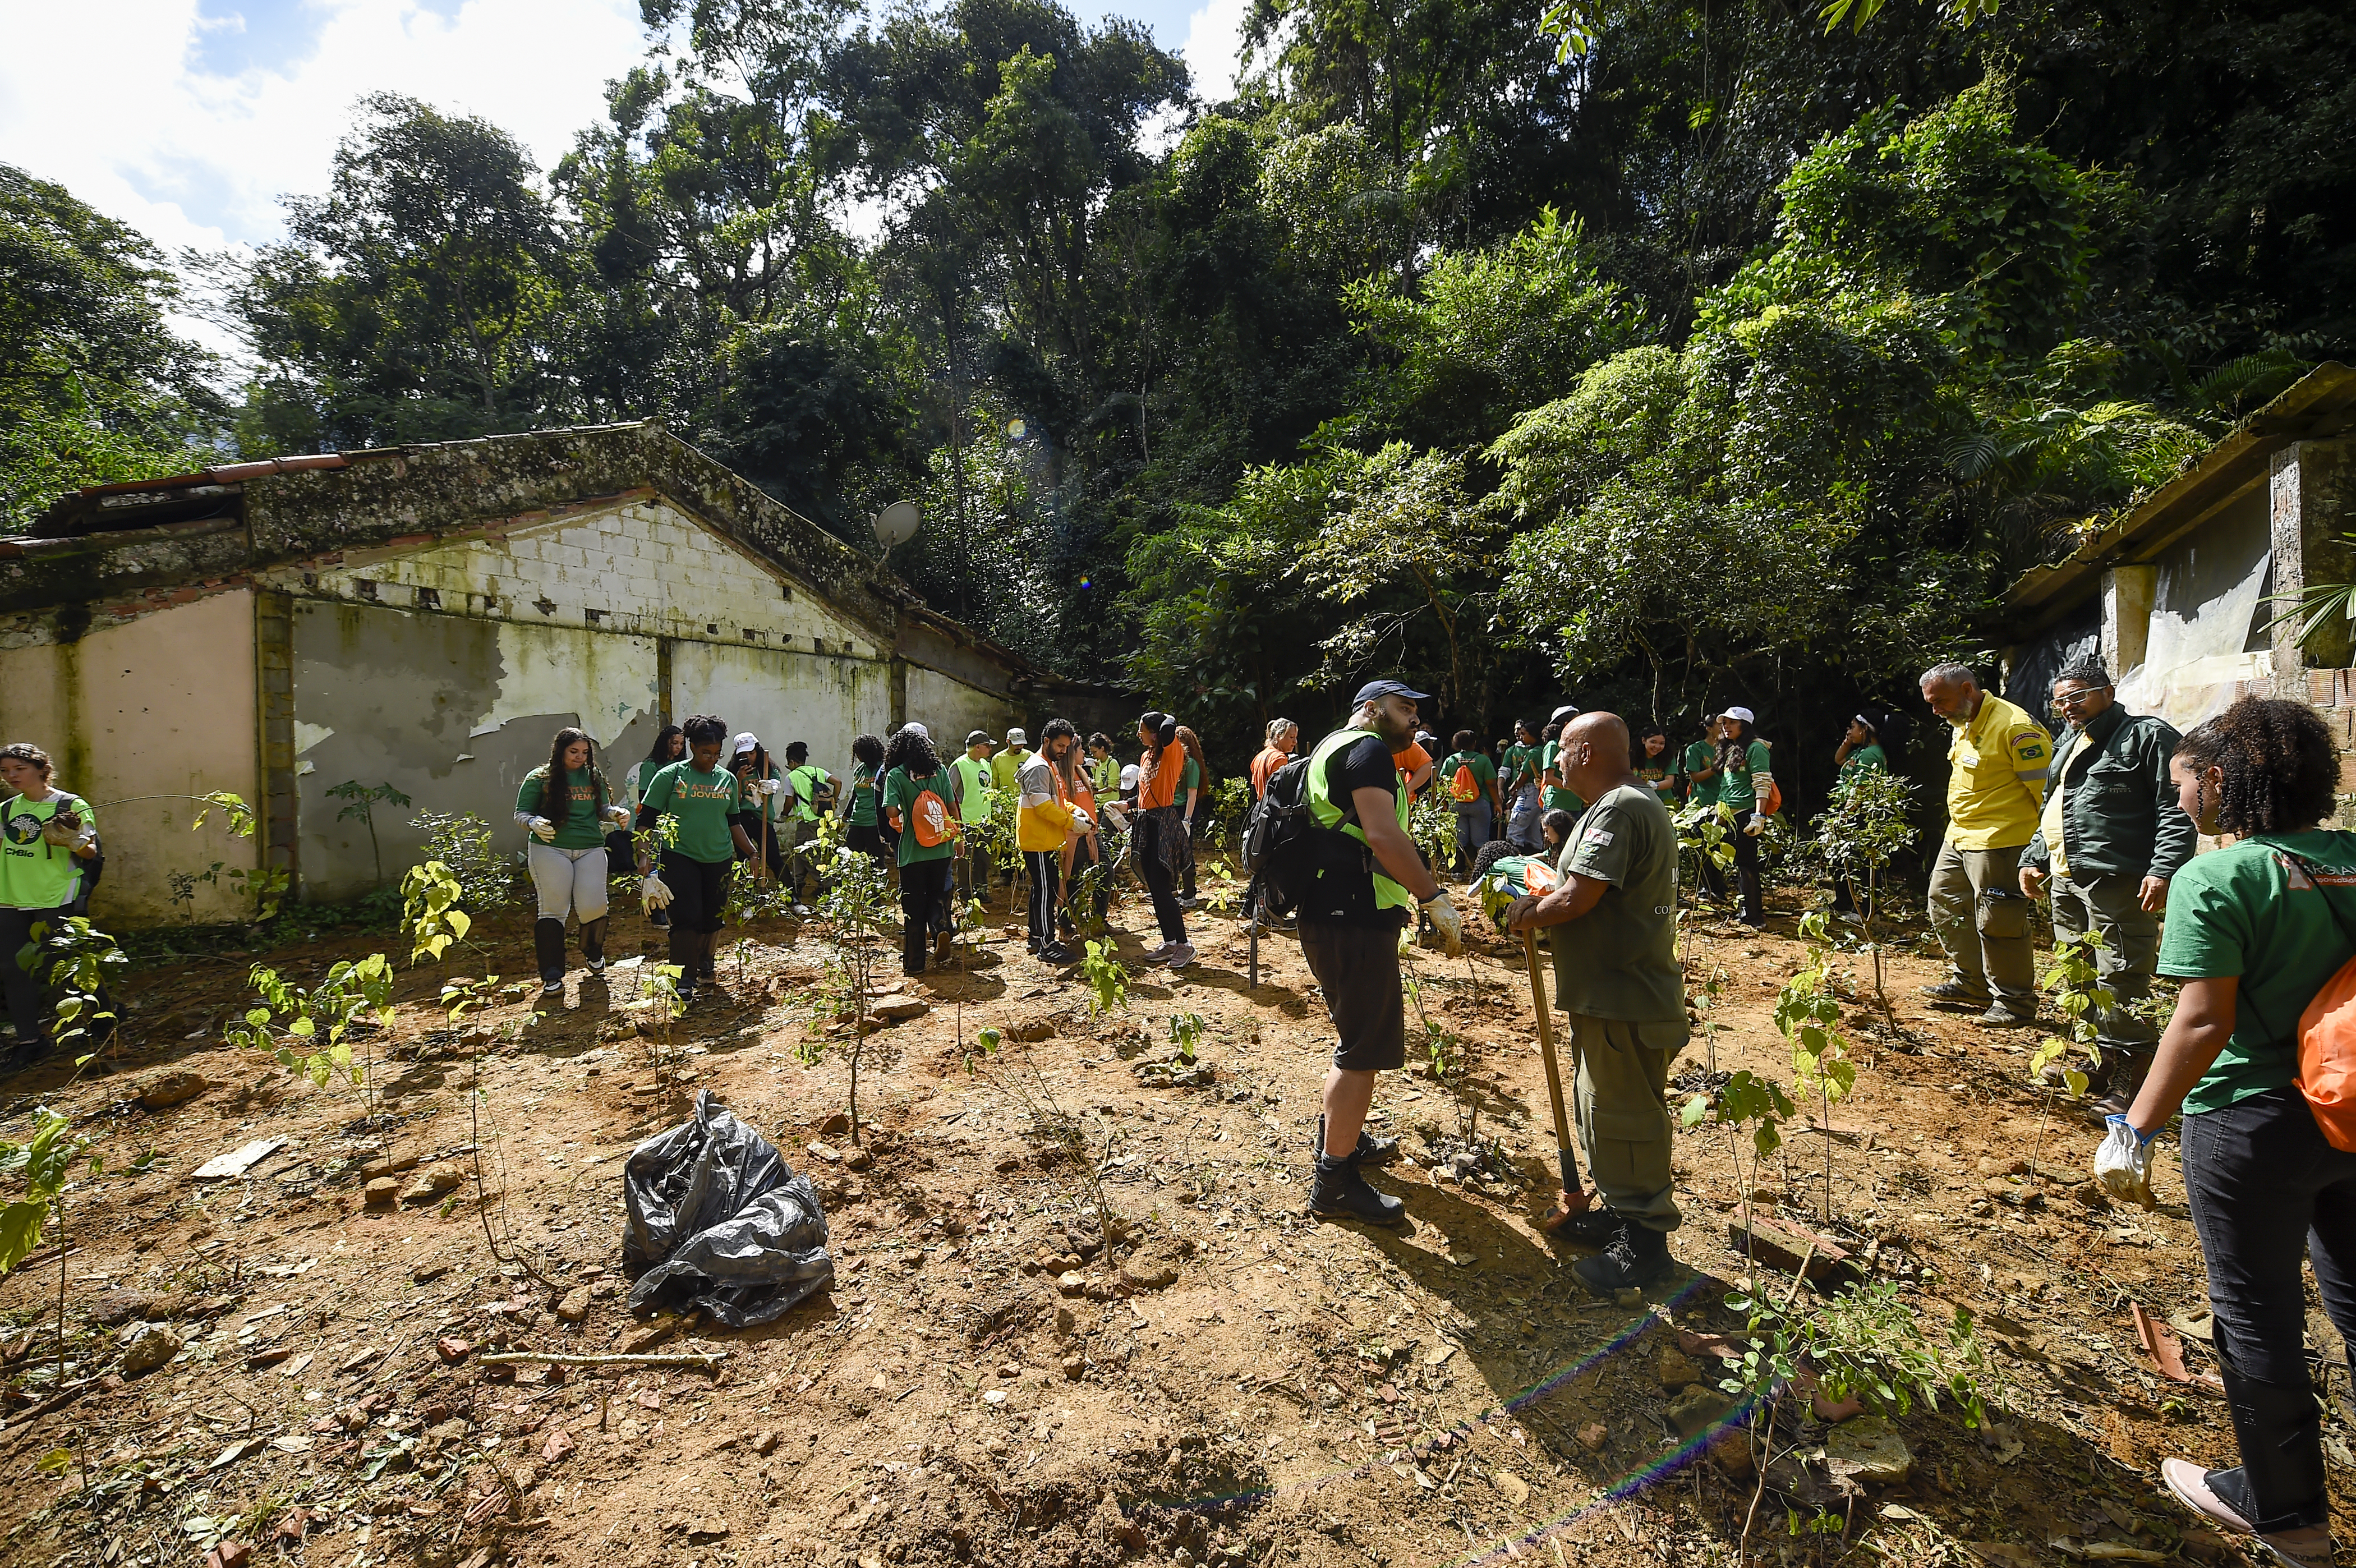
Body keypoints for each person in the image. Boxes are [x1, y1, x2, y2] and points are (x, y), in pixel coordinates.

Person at [2101, 697, 2354, 1567]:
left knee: (2257, 1315)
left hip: (2255, 1120)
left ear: (2218, 778)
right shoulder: (2354, 859)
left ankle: (2288, 1516)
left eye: (2182, 785)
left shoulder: (2219, 877)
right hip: (2352, 1106)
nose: (2179, 805)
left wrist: (2135, 1127)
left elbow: (2203, 1023)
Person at [1507, 712, 1688, 1293]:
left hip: (1626, 995)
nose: (1556, 760)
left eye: (1563, 749)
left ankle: (1645, 1244)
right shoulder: (1615, 807)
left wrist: (1526, 913)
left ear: (1586, 752)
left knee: (1626, 1119)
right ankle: (1621, 1213)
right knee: (1601, 1112)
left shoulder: (1620, 808)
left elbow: (1579, 897)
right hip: (1607, 994)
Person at [1294, 680, 1465, 1225]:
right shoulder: (1367, 749)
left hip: (1328, 910)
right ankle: (1334, 1181)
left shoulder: (1328, 745)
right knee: (1364, 1048)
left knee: (1354, 1036)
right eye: (1404, 707)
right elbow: (1384, 835)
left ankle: (1343, 1136)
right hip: (1353, 913)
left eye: (1417, 709)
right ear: (1370, 709)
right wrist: (1433, 895)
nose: (1414, 718)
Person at [2019, 657, 2195, 1112]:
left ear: (2108, 692)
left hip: (2117, 879)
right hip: (2066, 877)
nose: (2067, 707)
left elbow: (2175, 809)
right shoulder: (2068, 741)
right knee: (2078, 971)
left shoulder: (2148, 736)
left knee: (2121, 974)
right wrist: (2035, 856)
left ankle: (2131, 1078)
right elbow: (2054, 807)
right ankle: (2099, 1058)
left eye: (2076, 696)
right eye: (2060, 700)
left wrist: (2162, 869)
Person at [1920, 660, 2052, 1027]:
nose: (1936, 710)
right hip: (1960, 835)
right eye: (1931, 703)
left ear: (1967, 690)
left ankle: (2014, 1002)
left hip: (2001, 840)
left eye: (1940, 701)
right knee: (1943, 902)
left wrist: (2039, 852)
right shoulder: (1961, 723)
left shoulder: (2016, 727)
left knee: (1999, 921)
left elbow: (2047, 794)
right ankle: (1972, 983)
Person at [635, 715, 758, 1005]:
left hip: (718, 857)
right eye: (706, 753)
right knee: (685, 918)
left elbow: (734, 822)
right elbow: (646, 820)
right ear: (691, 747)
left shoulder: (727, 779)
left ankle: (705, 962)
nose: (711, 759)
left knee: (713, 917)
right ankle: (682, 980)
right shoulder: (671, 776)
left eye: (717, 754)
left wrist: (752, 852)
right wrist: (644, 855)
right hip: (680, 856)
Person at [0, 744, 100, 1066]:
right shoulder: (5, 810)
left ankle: (101, 1022)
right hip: (9, 898)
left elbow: (91, 852)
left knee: (67, 964)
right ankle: (30, 1041)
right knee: (14, 970)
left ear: (41, 769)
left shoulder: (70, 804)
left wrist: (69, 838)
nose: (11, 776)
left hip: (56, 895)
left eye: (19, 769)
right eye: (5, 771)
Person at [516, 726, 629, 997]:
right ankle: (552, 974)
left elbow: (601, 809)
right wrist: (533, 823)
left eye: (585, 753)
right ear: (561, 751)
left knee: (595, 905)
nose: (580, 758)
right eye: (574, 752)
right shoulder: (540, 778)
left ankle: (592, 950)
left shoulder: (593, 776)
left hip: (590, 847)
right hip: (551, 848)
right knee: (554, 908)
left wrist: (614, 813)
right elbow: (521, 813)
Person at [881, 726, 958, 975]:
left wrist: (904, 810)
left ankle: (915, 964)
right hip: (942, 846)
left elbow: (891, 811)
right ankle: (940, 927)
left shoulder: (896, 775)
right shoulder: (940, 771)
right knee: (939, 893)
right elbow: (951, 805)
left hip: (914, 851)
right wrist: (958, 836)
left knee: (913, 907)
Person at [1018, 720, 1083, 964]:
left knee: (1042, 889)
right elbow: (1043, 806)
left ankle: (1037, 937)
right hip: (1038, 839)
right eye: (1060, 745)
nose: (1064, 751)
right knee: (1048, 890)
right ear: (1046, 741)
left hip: (1042, 838)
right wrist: (1070, 822)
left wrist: (1074, 811)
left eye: (1067, 746)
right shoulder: (1039, 767)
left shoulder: (1047, 765)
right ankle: (1047, 944)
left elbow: (1055, 800)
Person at [1133, 713, 1194, 967]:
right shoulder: (1146, 757)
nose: (1139, 734)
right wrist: (1126, 805)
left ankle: (1184, 945)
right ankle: (1169, 943)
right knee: (1154, 887)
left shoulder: (1172, 752)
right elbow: (1145, 793)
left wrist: (1164, 718)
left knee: (1163, 886)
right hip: (1145, 821)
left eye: (1144, 730)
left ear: (1157, 733)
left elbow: (1171, 726)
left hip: (1164, 823)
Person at [1714, 707, 1776, 927]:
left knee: (1747, 863)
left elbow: (1762, 782)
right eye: (1725, 723)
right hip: (1726, 813)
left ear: (1745, 725)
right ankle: (1742, 909)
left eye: (1732, 723)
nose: (1726, 727)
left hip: (1746, 812)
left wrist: (1759, 816)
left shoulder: (1756, 748)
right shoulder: (1731, 748)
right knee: (1728, 859)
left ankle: (1753, 916)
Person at [1829, 714, 1892, 920]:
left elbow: (1861, 789)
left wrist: (1843, 817)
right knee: (1841, 858)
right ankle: (1843, 903)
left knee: (1864, 863)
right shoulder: (1861, 751)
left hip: (1860, 814)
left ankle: (1868, 910)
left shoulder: (1870, 755)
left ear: (1865, 729)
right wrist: (1848, 741)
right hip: (1851, 812)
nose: (1849, 730)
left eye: (1853, 727)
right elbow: (1839, 760)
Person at [624, 725, 685, 928]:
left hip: (679, 822)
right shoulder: (651, 766)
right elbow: (645, 798)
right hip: (656, 822)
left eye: (681, 744)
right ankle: (656, 911)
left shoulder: (683, 766)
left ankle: (673, 908)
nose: (678, 747)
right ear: (664, 743)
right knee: (653, 865)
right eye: (674, 743)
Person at [779, 741, 836, 909]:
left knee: (806, 854)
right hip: (823, 820)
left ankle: (826, 884)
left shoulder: (792, 777)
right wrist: (835, 801)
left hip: (807, 821)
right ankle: (797, 884)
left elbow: (789, 801)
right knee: (800, 854)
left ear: (792, 762)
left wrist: (783, 816)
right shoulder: (818, 771)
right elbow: (838, 782)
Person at [1437, 729, 1499, 876]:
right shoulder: (1484, 760)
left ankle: (1457, 872)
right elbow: (1491, 783)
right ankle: (1481, 872)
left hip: (1456, 804)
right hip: (1480, 803)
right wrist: (1497, 803)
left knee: (1459, 839)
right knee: (1482, 840)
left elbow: (1443, 783)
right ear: (1474, 743)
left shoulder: (1451, 760)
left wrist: (1444, 803)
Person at [728, 733, 788, 885]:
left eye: (752, 753)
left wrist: (768, 786)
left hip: (762, 818)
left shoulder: (767, 768)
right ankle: (748, 898)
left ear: (758, 751)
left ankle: (792, 897)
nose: (748, 757)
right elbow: (735, 800)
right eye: (744, 755)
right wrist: (739, 779)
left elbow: (775, 785)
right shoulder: (733, 773)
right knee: (744, 860)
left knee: (774, 858)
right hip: (741, 821)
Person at [951, 731, 996, 908]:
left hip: (985, 822)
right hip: (967, 822)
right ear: (978, 747)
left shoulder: (986, 764)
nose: (990, 749)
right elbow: (950, 795)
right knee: (965, 860)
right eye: (987, 745)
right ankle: (965, 891)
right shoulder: (960, 765)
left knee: (983, 859)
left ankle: (981, 890)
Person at [843, 733, 889, 866]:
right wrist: (846, 815)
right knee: (849, 860)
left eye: (860, 753)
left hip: (874, 824)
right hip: (857, 821)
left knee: (876, 862)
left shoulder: (883, 770)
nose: (858, 756)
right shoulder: (859, 771)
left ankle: (878, 887)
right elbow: (855, 795)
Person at [1176, 724, 1207, 907]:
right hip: (1174, 811)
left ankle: (1189, 894)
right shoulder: (1176, 763)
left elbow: (1192, 794)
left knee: (1185, 852)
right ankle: (1176, 890)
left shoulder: (1191, 764)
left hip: (1185, 811)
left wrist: (1186, 820)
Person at [1502, 720, 1545, 852]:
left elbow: (1523, 777)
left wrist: (1513, 788)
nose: (1521, 737)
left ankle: (1514, 858)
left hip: (1528, 793)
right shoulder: (1544, 750)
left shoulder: (1533, 753)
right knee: (1534, 833)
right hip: (1539, 794)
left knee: (1514, 830)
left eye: (1524, 734)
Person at [1251, 720, 1299, 799]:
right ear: (1278, 736)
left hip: (1262, 808)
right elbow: (1284, 791)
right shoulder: (1279, 759)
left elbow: (1254, 791)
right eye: (1291, 737)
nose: (1295, 742)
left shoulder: (1258, 757)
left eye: (1296, 738)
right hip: (1274, 809)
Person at [1635, 725, 1678, 811]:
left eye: (1662, 743)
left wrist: (1654, 785)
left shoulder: (1668, 757)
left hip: (1665, 804)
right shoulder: (1632, 757)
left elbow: (1670, 781)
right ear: (1644, 741)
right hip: (1640, 803)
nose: (1657, 747)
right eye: (1653, 742)